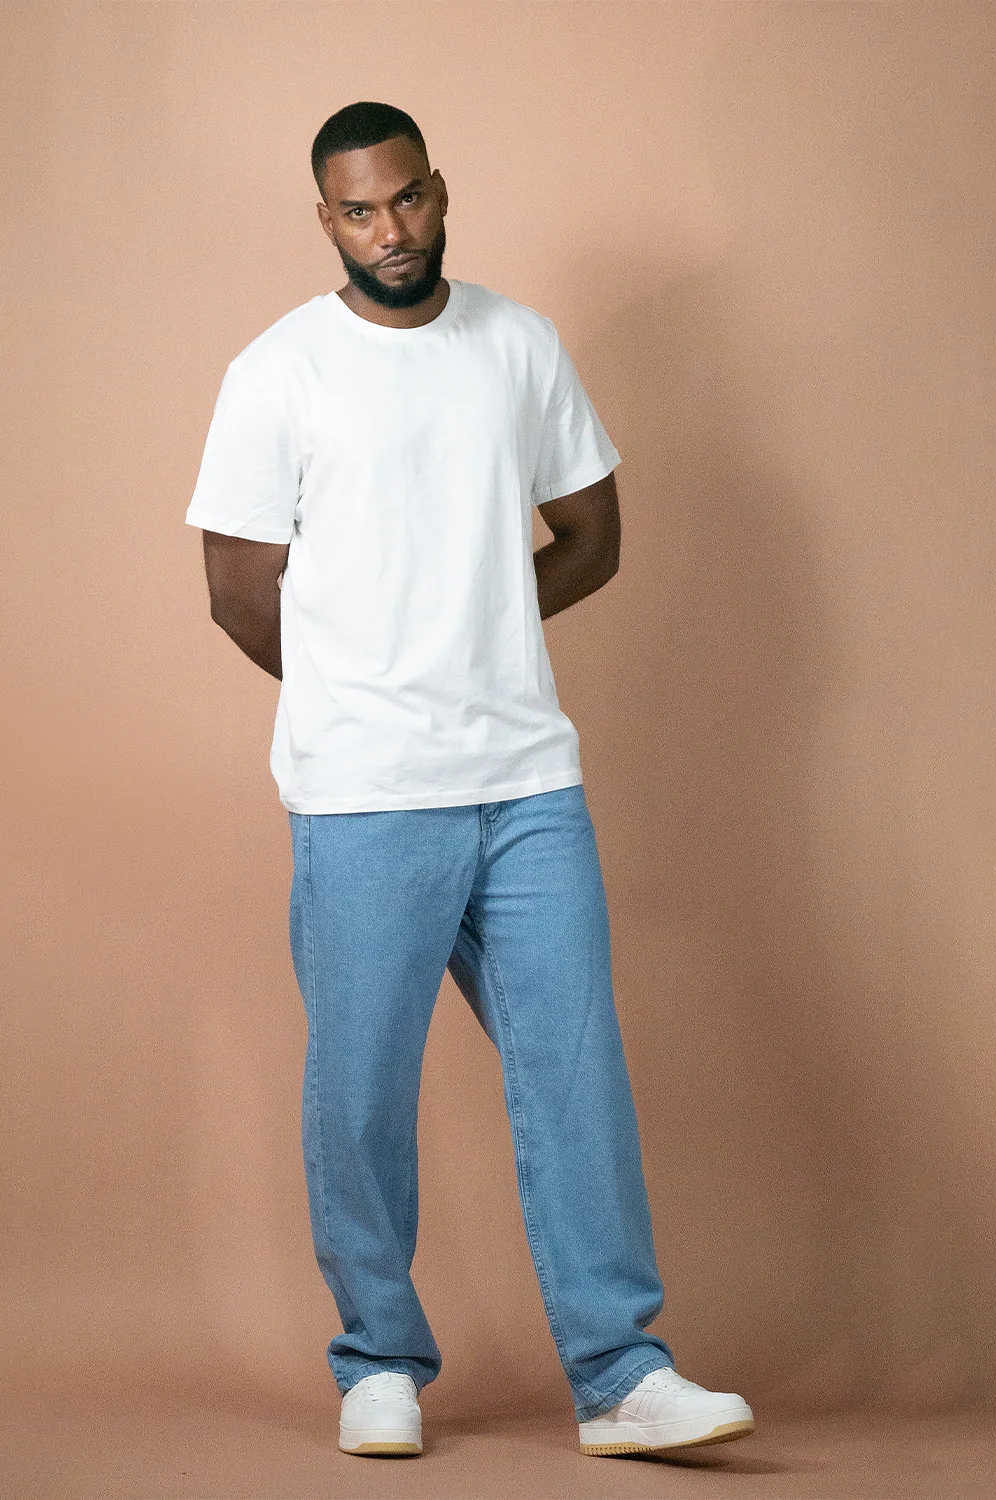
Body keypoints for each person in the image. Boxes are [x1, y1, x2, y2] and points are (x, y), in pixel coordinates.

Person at [185, 100, 755, 1461]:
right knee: (362, 1092)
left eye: (407, 199)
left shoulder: (520, 345)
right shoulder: (279, 373)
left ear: (440, 191)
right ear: (327, 220)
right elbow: (237, 589)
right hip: (366, 794)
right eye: (358, 211)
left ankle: (620, 1374)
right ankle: (378, 1360)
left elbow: (592, 534)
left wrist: (475, 636)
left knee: (575, 1074)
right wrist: (363, 688)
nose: (389, 230)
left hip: (526, 783)